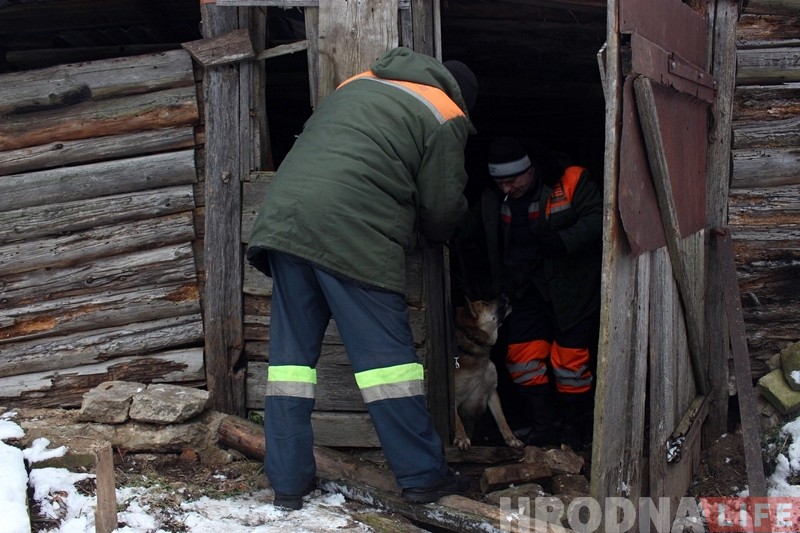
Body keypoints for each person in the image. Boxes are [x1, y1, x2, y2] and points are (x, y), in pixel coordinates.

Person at [246, 46, 478, 510]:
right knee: (388, 368)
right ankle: (421, 477)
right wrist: (441, 235)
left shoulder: (357, 84)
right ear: (462, 95)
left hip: (285, 222)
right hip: (352, 229)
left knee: (290, 367)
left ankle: (288, 485)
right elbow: (442, 205)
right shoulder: (446, 111)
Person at [455, 136, 602, 451]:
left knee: (571, 364)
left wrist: (563, 241)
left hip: (569, 292)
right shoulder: (494, 200)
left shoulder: (570, 182)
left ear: (530, 170)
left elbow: (599, 219)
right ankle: (542, 430)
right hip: (522, 292)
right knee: (522, 360)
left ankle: (574, 432)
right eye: (500, 182)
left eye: (512, 180)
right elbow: (467, 226)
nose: (506, 188)